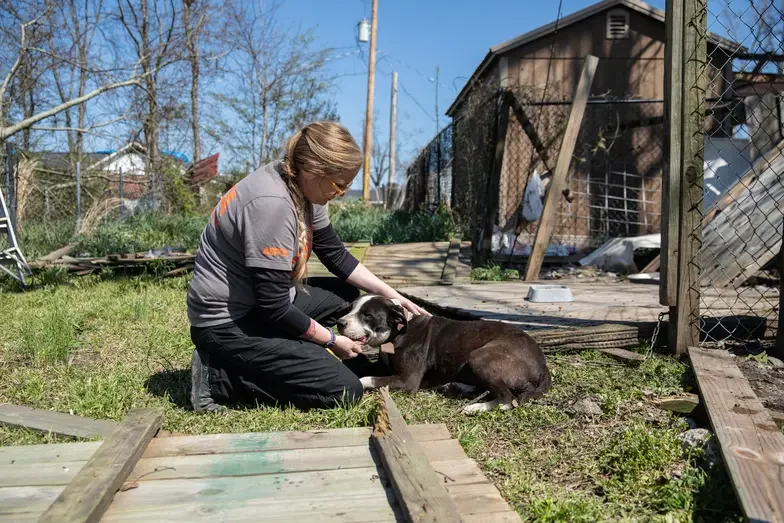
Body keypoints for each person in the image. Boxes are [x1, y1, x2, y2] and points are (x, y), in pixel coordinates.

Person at [186, 121, 429, 413]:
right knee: (344, 390)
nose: (342, 193)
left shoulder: (303, 186)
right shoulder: (272, 205)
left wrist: (392, 295)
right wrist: (331, 340)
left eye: (348, 186)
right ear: (314, 169)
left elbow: (336, 254)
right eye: (340, 185)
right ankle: (218, 377)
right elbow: (273, 308)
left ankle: (301, 354)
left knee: (348, 296)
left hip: (263, 302)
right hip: (229, 322)